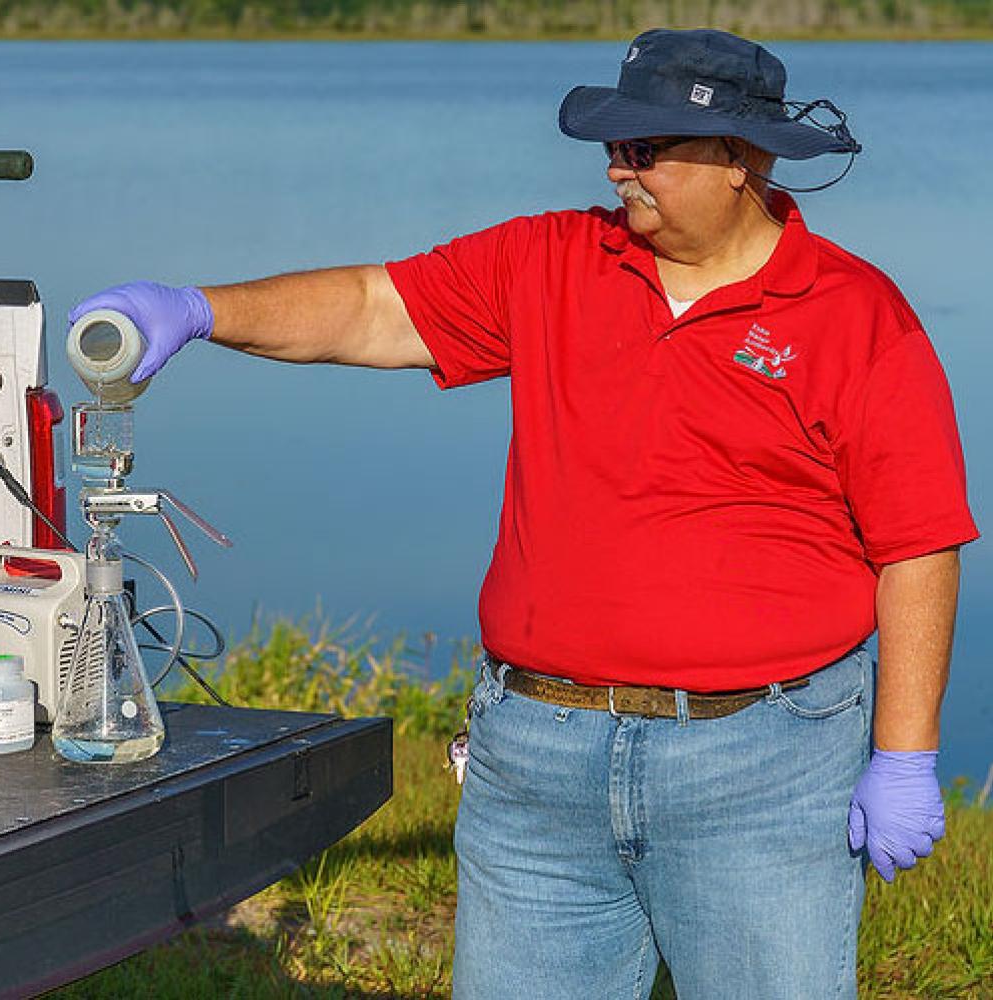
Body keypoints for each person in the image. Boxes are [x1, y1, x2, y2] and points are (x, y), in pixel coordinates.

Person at [70, 29, 979, 1000]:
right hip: (535, 761)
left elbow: (917, 546)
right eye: (613, 144)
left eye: (647, 147)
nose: (618, 166)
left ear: (742, 161)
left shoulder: (851, 312)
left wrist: (905, 754)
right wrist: (199, 309)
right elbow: (374, 307)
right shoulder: (552, 260)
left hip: (758, 766)